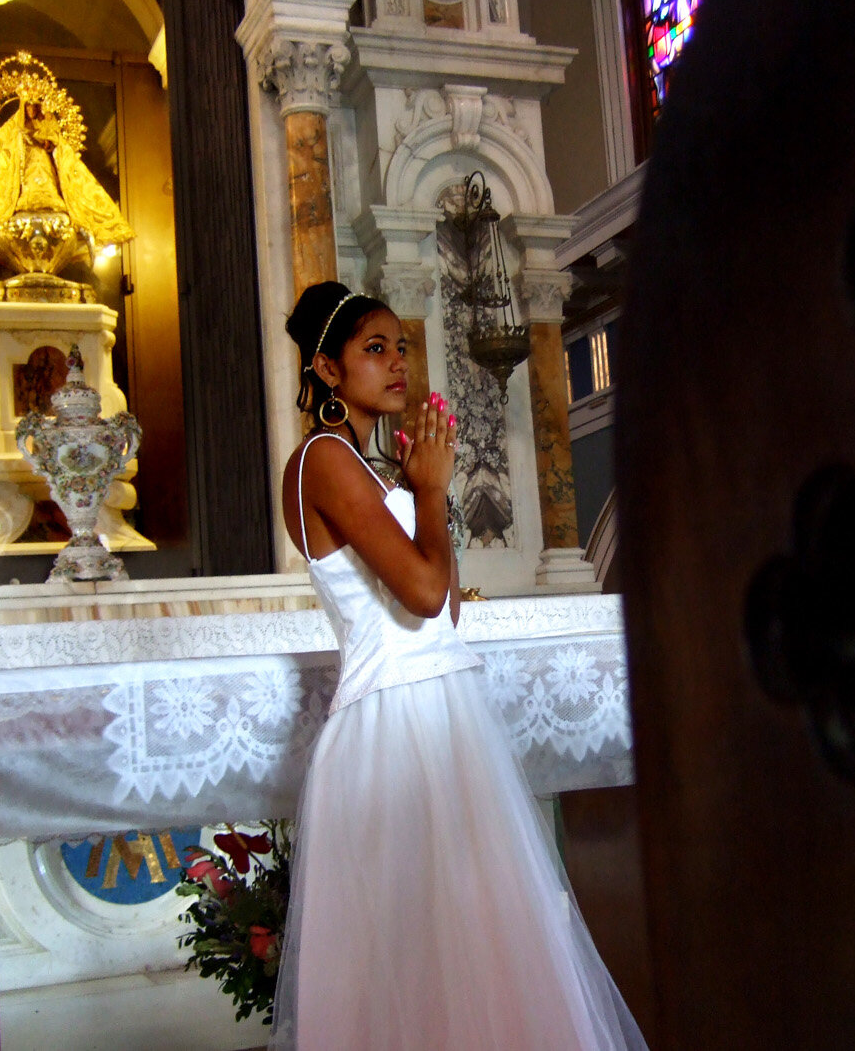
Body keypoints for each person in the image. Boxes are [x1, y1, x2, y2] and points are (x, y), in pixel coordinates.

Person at [272, 281, 649, 1050]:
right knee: (416, 961)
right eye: (374, 349)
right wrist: (434, 491)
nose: (397, 362)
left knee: (489, 941)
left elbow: (444, 616)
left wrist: (420, 491)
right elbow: (420, 590)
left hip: (440, 708)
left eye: (400, 347)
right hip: (396, 721)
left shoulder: (372, 469)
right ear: (328, 370)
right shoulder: (321, 460)